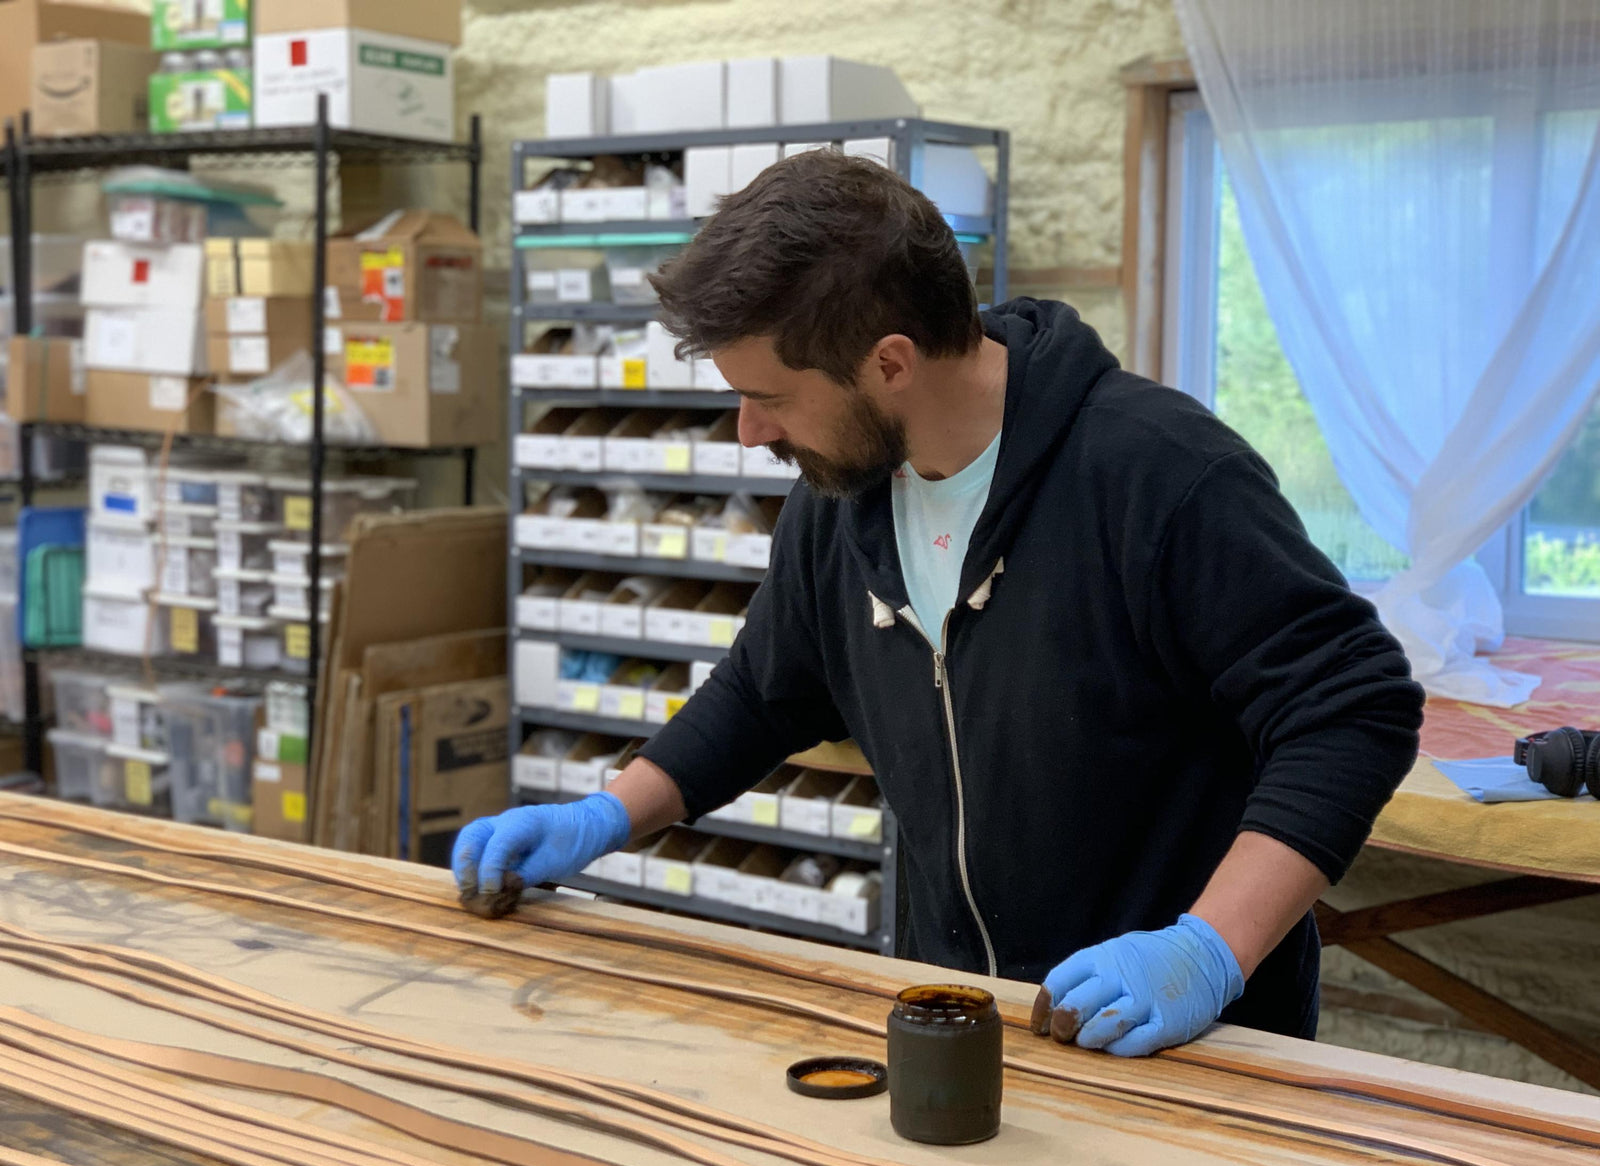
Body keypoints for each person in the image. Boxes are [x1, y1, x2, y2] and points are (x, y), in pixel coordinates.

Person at [456, 151, 1424, 1056]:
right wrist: (606, 816)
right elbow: (766, 692)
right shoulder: (842, 494)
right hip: (958, 1005)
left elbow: (1350, 710)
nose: (749, 432)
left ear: (888, 362)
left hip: (1175, 1028)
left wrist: (1207, 950)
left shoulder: (1157, 474)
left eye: (771, 398)